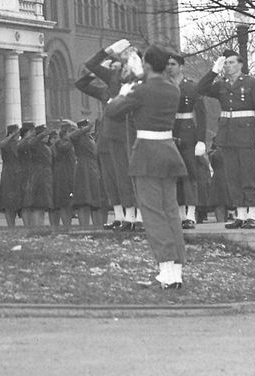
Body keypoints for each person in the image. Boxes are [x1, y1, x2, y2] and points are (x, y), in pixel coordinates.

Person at [105, 45, 188, 290]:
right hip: (168, 151)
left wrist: (123, 91)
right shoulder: (172, 89)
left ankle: (166, 270)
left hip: (147, 154)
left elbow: (113, 111)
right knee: (170, 212)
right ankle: (176, 270)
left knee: (153, 214)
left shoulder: (141, 90)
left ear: (148, 64)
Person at [195, 51, 255, 229]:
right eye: (225, 63)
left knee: (249, 175)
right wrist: (214, 71)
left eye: (230, 62)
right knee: (233, 177)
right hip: (227, 135)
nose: (227, 65)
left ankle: (252, 215)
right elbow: (201, 88)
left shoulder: (251, 83)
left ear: (240, 64)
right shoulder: (221, 84)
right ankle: (240, 214)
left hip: (246, 134)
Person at [75, 41, 141, 229]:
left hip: (128, 128)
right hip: (110, 130)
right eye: (124, 54)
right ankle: (121, 216)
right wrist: (108, 51)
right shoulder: (114, 77)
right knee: (112, 176)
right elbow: (90, 66)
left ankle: (133, 217)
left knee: (125, 174)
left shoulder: (139, 78)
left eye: (131, 55)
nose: (126, 57)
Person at [167, 53, 207, 230]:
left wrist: (201, 140)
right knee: (173, 174)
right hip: (168, 131)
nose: (170, 67)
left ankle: (190, 214)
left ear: (181, 66)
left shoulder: (191, 87)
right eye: (167, 64)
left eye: (173, 64)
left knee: (190, 173)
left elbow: (202, 115)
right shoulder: (164, 86)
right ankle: (179, 213)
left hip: (188, 130)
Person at [71, 120, 105, 228]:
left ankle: (97, 226)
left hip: (93, 169)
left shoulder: (91, 138)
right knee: (83, 200)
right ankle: (84, 226)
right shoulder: (78, 138)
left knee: (95, 201)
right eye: (86, 127)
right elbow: (72, 136)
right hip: (83, 169)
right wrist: (85, 129)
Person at [21, 124, 54, 229]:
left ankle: (40, 226)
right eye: (44, 135)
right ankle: (36, 227)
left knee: (42, 205)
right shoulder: (35, 145)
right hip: (39, 176)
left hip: (46, 176)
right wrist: (41, 135)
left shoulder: (45, 146)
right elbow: (32, 142)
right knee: (38, 205)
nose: (47, 137)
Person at [0, 124, 25, 227]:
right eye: (16, 132)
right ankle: (10, 225)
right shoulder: (6, 143)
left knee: (18, 201)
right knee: (8, 202)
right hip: (8, 173)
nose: (18, 135)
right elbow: (2, 145)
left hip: (19, 174)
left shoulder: (19, 144)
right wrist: (11, 136)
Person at [52, 123, 76, 230]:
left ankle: (68, 224)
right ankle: (66, 224)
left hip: (70, 173)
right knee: (64, 201)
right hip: (63, 175)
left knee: (70, 201)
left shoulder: (68, 143)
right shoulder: (60, 143)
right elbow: (64, 148)